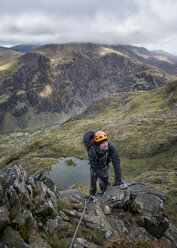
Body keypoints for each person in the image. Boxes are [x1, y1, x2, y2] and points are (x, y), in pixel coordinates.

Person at [84, 130, 122, 196]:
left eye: (106, 141)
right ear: (98, 145)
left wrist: (118, 178)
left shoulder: (111, 148)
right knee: (93, 183)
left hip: (105, 166)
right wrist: (104, 178)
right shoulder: (92, 152)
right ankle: (92, 195)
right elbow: (94, 167)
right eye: (103, 143)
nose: (106, 144)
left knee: (103, 184)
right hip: (95, 168)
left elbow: (116, 162)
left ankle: (104, 194)